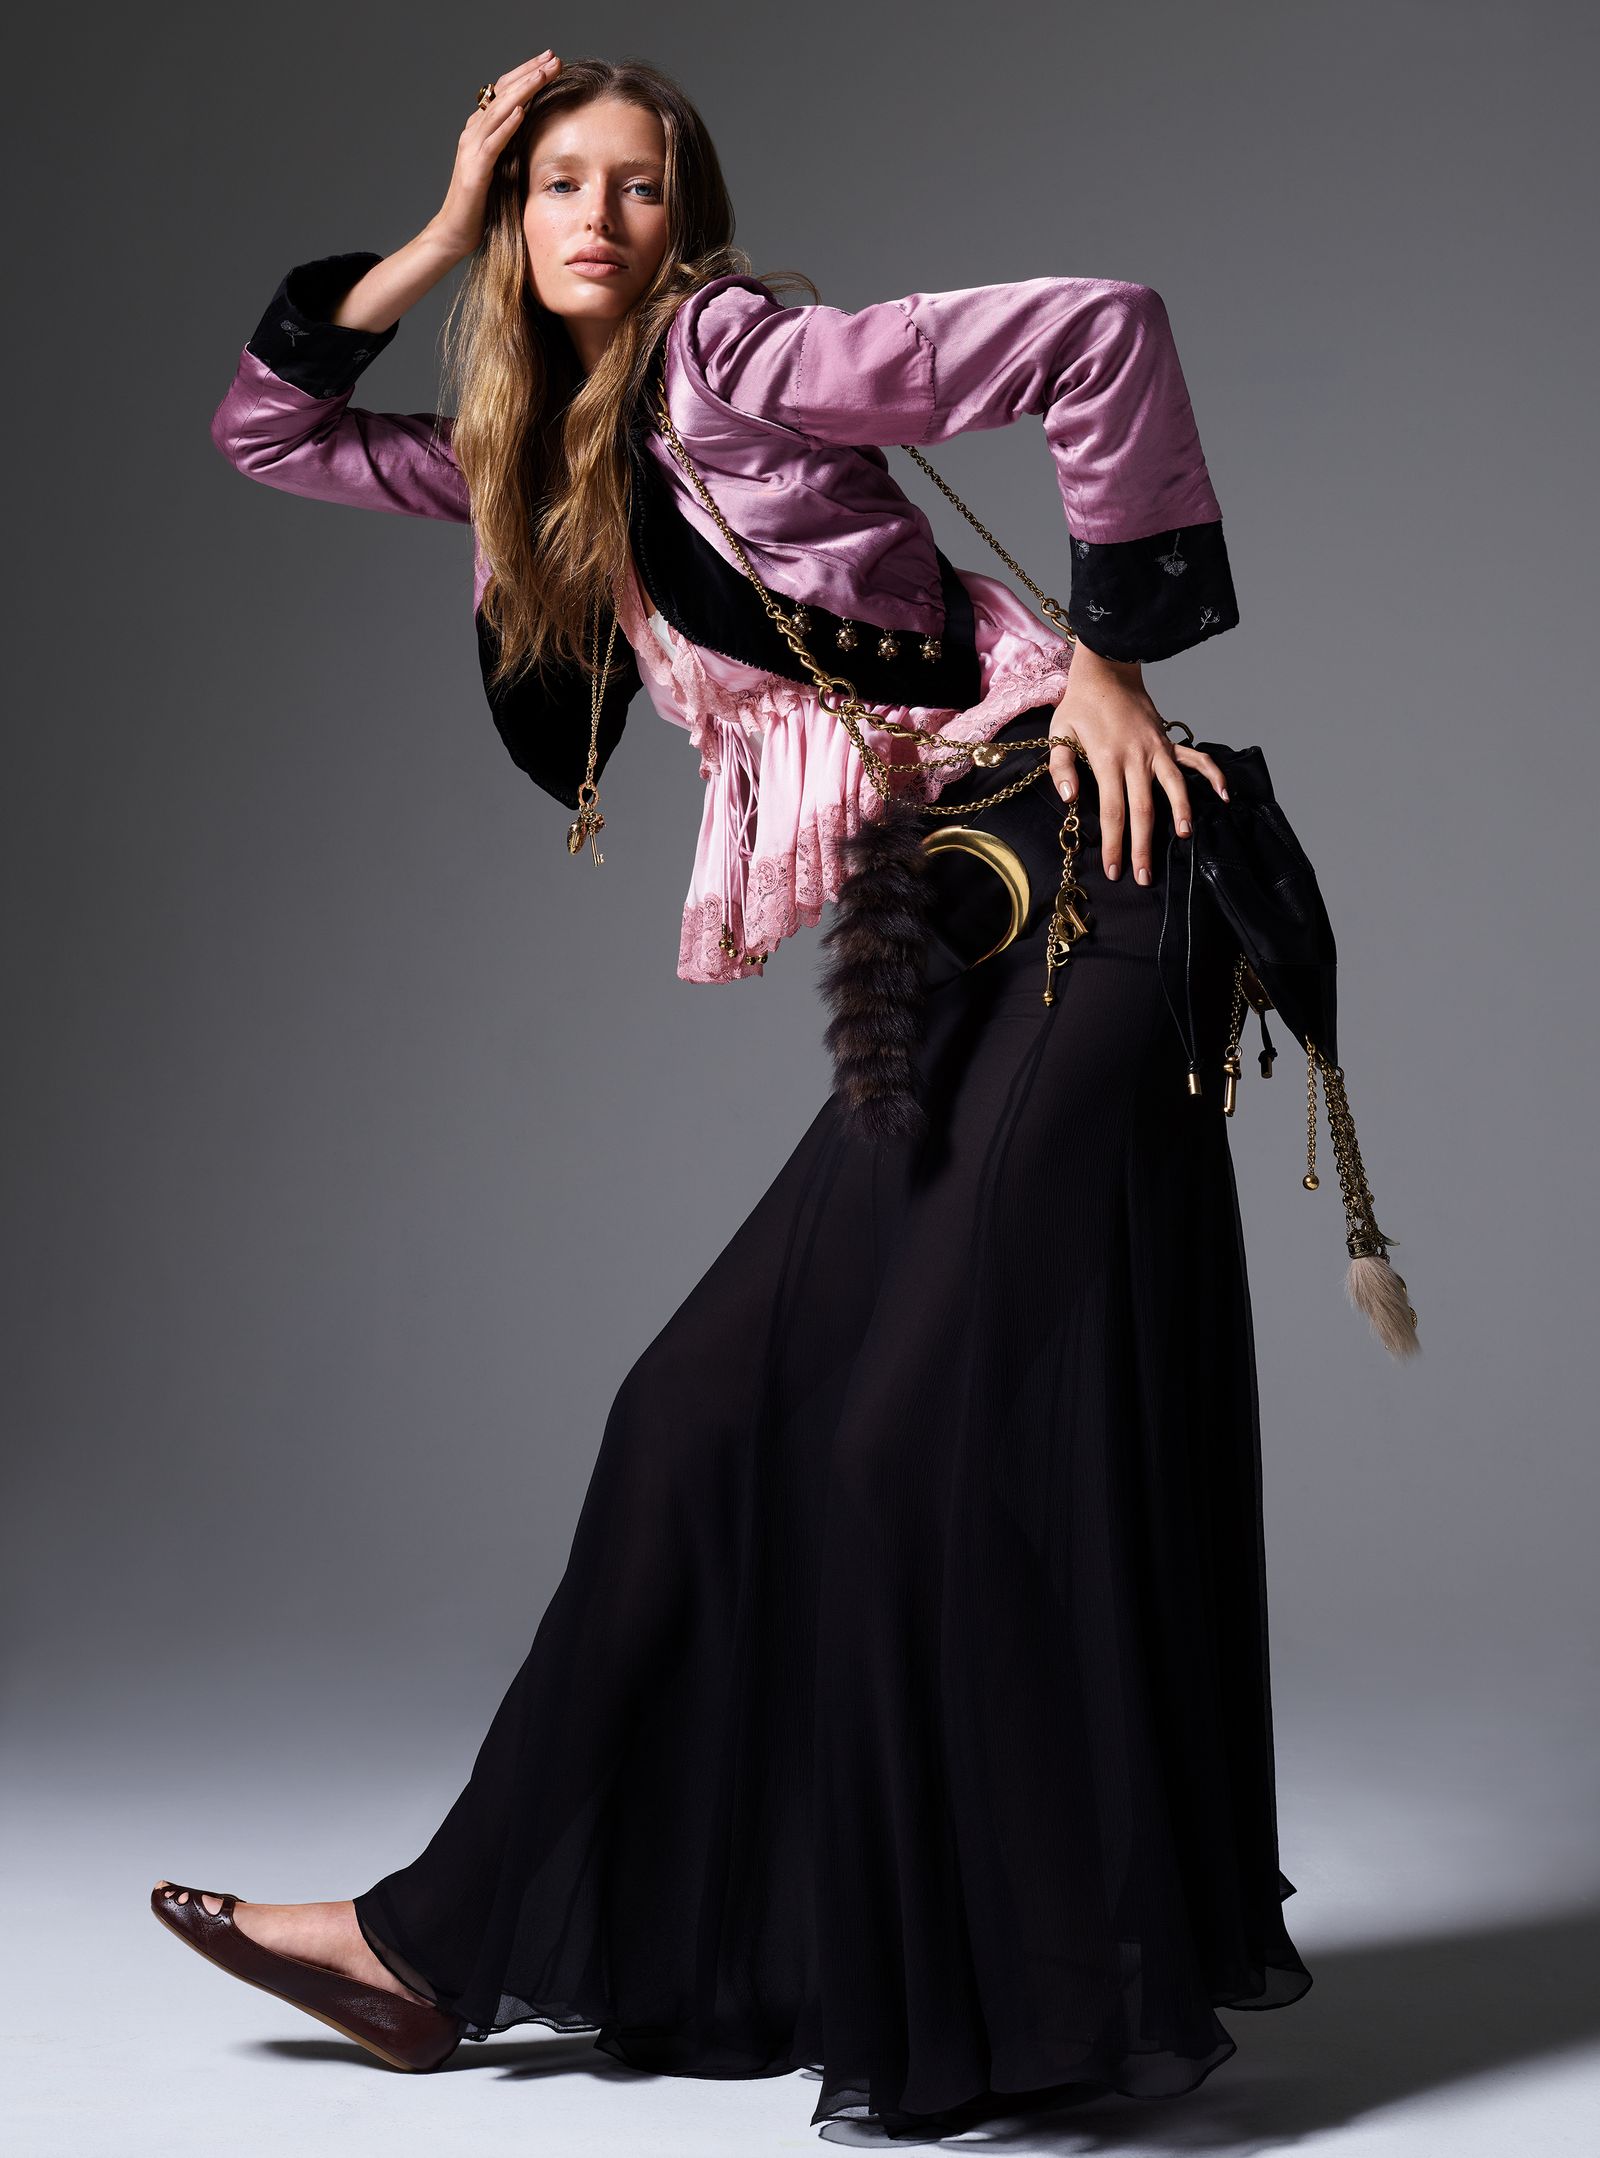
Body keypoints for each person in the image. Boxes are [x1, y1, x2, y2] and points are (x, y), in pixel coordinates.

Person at [153, 49, 1314, 2142]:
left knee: (897, 1434)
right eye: (553, 186)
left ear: (685, 216)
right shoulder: (529, 458)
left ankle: (1030, 1992)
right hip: (953, 925)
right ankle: (429, 1946)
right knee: (688, 1413)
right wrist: (428, 234)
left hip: (1092, 863)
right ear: (512, 219)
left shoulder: (735, 358)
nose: (595, 218)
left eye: (636, 184)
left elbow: (1099, 326)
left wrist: (1116, 657)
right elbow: (269, 430)